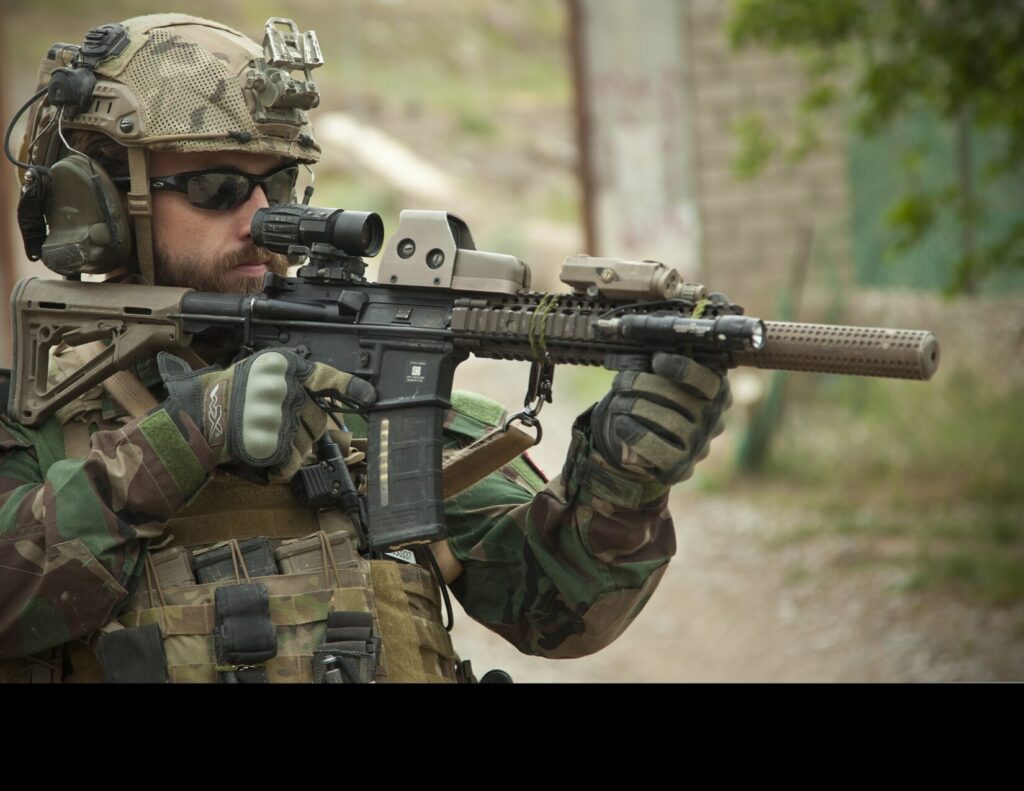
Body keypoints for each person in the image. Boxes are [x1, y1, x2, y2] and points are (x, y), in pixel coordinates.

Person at [0, 13, 730, 683]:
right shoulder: (35, 425)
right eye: (219, 187)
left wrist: (622, 481)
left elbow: (555, 613)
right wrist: (186, 436)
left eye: (280, 183)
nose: (264, 218)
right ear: (96, 201)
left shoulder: (360, 395)